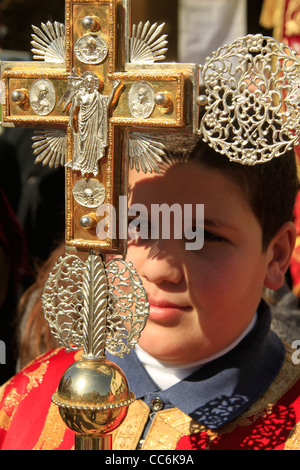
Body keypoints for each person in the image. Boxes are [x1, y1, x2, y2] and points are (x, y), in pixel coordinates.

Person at [0, 128, 300, 450]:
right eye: (136, 225)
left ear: (277, 256)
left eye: (203, 235)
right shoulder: (22, 401)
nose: (158, 270)